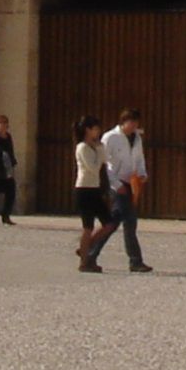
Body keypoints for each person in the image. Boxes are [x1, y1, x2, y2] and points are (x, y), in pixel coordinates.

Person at [98, 107, 152, 273]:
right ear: (123, 122)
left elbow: (139, 158)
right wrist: (115, 184)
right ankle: (91, 250)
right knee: (116, 221)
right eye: (131, 122)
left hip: (131, 183)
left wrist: (142, 174)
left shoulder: (136, 138)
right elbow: (104, 163)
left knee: (128, 223)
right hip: (117, 184)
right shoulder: (110, 137)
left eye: (136, 122)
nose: (134, 126)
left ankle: (134, 261)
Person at [71, 115, 112, 273]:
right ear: (88, 130)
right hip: (84, 189)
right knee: (87, 226)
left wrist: (100, 149)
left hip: (94, 188)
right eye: (95, 128)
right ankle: (84, 261)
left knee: (108, 222)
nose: (98, 131)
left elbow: (104, 161)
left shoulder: (95, 147)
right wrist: (100, 151)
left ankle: (85, 248)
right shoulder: (82, 147)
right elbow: (93, 167)